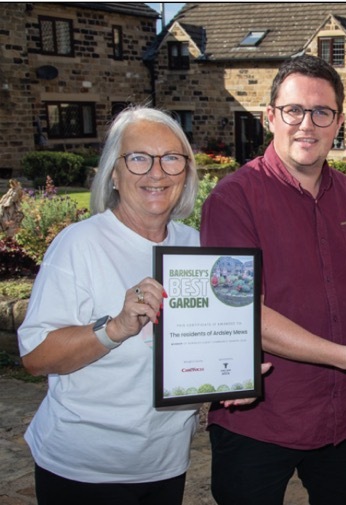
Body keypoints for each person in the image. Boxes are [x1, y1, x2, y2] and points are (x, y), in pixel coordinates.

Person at [199, 54, 346, 505]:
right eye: (293, 110)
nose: (307, 124)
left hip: (341, 417)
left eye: (321, 112)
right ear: (270, 117)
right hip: (260, 418)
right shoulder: (232, 200)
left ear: (337, 122)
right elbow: (242, 313)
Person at [18, 107, 209, 503]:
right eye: (138, 158)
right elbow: (36, 357)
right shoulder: (79, 244)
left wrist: (229, 374)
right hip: (85, 466)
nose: (156, 173)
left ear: (186, 172)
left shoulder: (196, 245)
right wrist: (114, 329)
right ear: (114, 173)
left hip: (165, 459)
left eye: (171, 158)